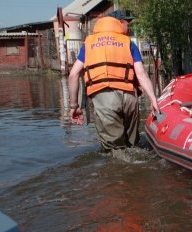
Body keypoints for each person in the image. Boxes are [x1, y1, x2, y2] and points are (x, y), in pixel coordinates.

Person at [67, 10, 160, 151]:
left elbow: (73, 75)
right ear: (119, 23)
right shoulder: (128, 43)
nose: (129, 28)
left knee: (115, 150)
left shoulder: (88, 44)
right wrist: (153, 99)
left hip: (104, 98)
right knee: (133, 146)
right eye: (127, 24)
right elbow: (141, 74)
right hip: (129, 97)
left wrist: (74, 106)